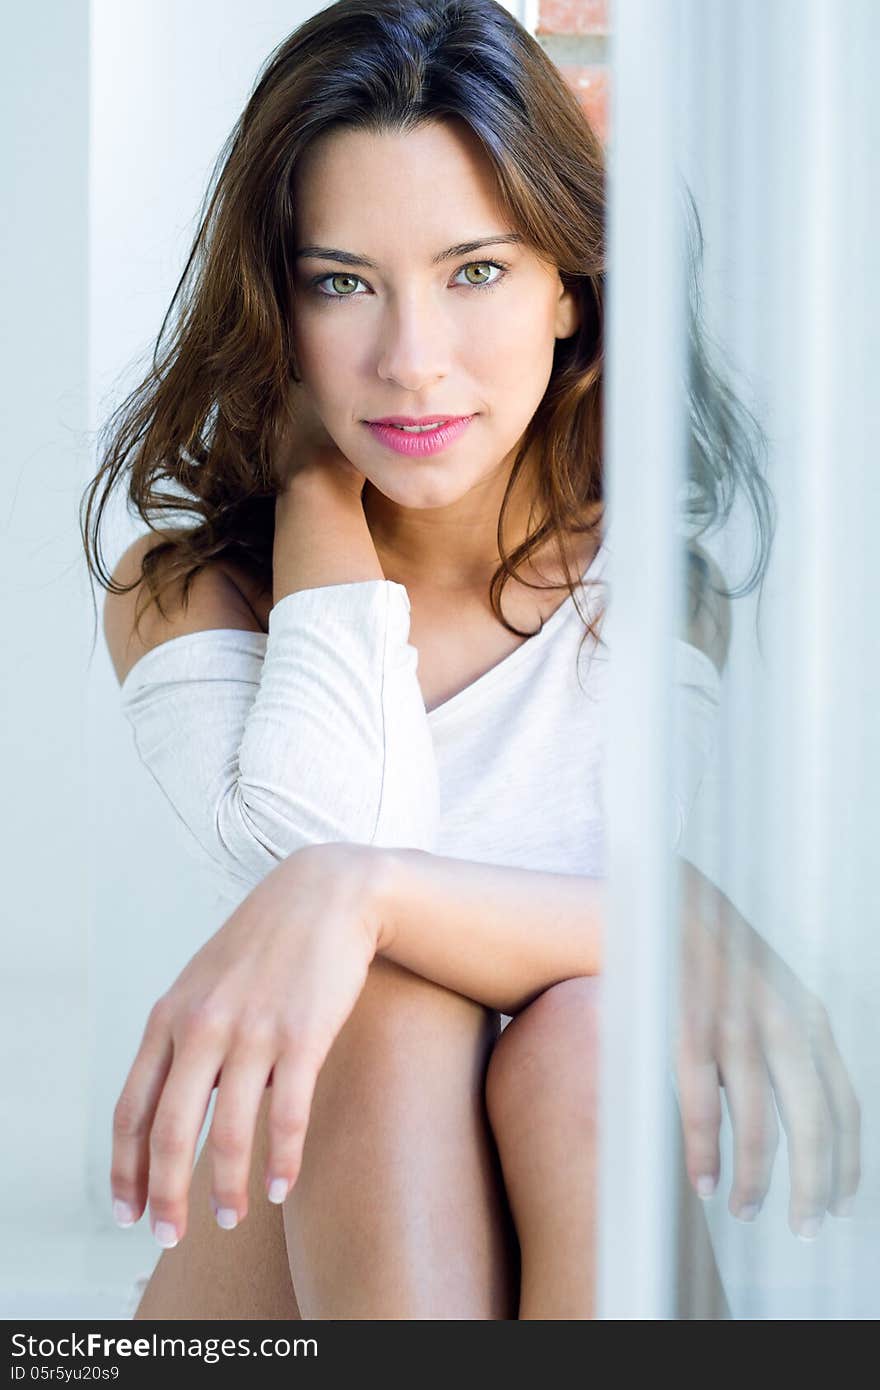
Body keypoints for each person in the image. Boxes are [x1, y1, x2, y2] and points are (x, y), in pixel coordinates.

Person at [82, 0, 858, 1320]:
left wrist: (364, 891)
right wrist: (322, 499)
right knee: (383, 1022)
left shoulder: (654, 595)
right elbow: (341, 843)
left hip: (580, 1175)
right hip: (277, 1284)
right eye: (343, 283)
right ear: (279, 308)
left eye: (475, 270)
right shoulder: (188, 588)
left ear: (569, 283)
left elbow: (371, 882)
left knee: (590, 1042)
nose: (410, 361)